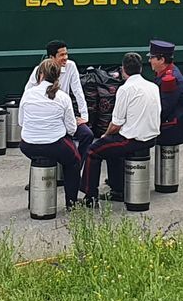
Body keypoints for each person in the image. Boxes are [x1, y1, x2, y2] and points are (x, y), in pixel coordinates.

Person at [87, 52, 159, 204]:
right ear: (140, 68)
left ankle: (90, 195)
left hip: (133, 140)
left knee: (93, 151)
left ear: (123, 69)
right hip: (151, 138)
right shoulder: (153, 86)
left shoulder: (125, 89)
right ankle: (118, 189)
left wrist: (104, 135)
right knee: (112, 148)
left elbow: (116, 124)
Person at [18, 58, 84, 209]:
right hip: (55, 145)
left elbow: (21, 122)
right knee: (74, 162)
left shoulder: (27, 94)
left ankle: (33, 201)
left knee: (38, 159)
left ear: (40, 75)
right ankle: (71, 203)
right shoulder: (63, 97)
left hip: (28, 146)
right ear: (57, 77)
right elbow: (72, 129)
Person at [149, 40, 183, 150]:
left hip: (171, 129)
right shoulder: (165, 72)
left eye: (152, 58)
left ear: (161, 60)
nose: (149, 60)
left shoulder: (169, 79)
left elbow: (164, 107)